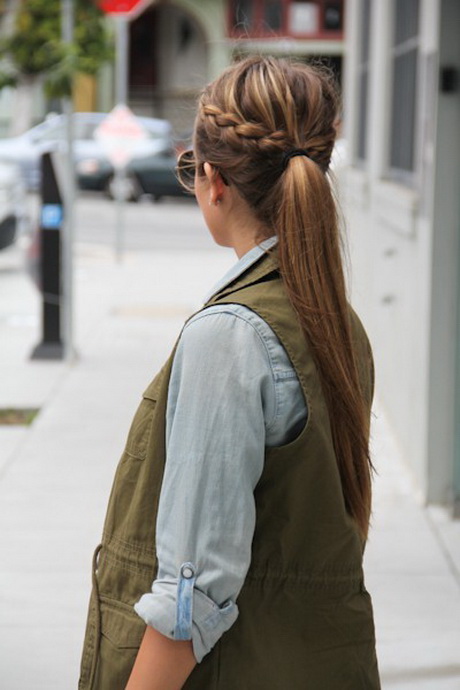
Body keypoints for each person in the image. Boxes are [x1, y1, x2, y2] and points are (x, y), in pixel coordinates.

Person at [79, 56, 380, 690]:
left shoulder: (230, 335)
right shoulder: (335, 319)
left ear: (213, 180)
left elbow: (190, 601)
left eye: (191, 169)